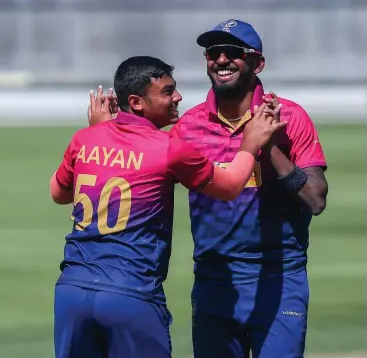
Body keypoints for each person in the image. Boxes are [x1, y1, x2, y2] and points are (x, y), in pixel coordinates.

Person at [88, 20, 328, 358]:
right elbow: (133, 175)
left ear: (257, 63)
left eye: (233, 52)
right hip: (216, 280)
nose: (221, 60)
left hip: (279, 278)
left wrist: (269, 146)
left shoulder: (290, 117)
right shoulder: (188, 126)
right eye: (213, 53)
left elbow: (316, 199)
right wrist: (105, 133)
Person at [50, 55, 286, 358]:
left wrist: (102, 135)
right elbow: (229, 187)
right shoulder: (169, 149)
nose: (178, 97)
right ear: (136, 102)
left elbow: (59, 193)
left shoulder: (85, 139)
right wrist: (250, 144)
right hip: (131, 296)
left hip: (71, 292)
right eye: (167, 91)